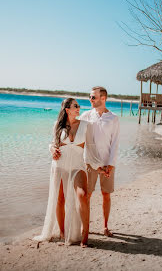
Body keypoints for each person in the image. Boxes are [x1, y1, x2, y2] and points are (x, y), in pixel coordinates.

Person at [34, 98, 103, 246]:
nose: (79, 108)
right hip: (59, 166)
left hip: (78, 166)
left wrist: (100, 166)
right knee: (60, 200)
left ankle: (85, 235)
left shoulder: (86, 125)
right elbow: (53, 144)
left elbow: (91, 148)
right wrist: (52, 149)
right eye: (75, 106)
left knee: (83, 196)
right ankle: (63, 232)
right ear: (67, 110)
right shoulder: (57, 126)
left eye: (78, 106)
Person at [79, 86, 120, 237]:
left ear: (103, 98)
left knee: (106, 194)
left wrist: (111, 164)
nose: (90, 99)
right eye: (90, 97)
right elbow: (74, 132)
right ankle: (85, 228)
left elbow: (115, 142)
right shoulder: (86, 115)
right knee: (87, 195)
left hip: (108, 163)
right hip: (90, 163)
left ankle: (105, 227)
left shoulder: (113, 118)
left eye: (93, 97)